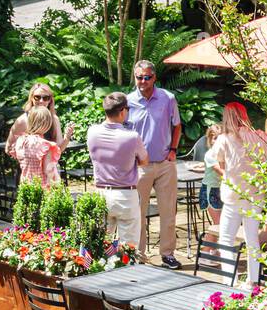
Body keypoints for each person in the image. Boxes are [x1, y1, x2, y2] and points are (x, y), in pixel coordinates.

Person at [208, 102, 267, 285]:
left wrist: (229, 173)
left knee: (226, 238)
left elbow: (214, 161)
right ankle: (253, 281)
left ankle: (230, 281)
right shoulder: (260, 136)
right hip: (256, 194)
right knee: (252, 238)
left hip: (233, 194)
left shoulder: (224, 139)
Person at [125, 60, 182, 268]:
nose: (142, 81)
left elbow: (177, 125)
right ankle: (138, 256)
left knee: (168, 211)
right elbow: (121, 133)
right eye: (139, 77)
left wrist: (174, 150)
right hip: (139, 166)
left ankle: (167, 254)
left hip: (165, 164)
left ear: (154, 77)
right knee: (137, 212)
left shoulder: (168, 98)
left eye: (147, 77)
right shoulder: (128, 101)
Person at [87, 92, 148, 246]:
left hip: (101, 193)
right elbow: (144, 160)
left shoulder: (92, 132)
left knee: (100, 245)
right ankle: (125, 270)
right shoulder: (132, 137)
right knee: (128, 247)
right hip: (125, 194)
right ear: (122, 111)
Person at [7, 83, 73, 150]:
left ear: (50, 100)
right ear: (31, 98)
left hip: (50, 160)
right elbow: (8, 148)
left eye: (45, 98)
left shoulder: (54, 119)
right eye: (37, 97)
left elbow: (58, 150)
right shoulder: (23, 120)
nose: (41, 101)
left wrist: (66, 138)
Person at [12, 106, 61, 187]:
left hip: (26, 186)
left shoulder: (21, 141)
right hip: (42, 189)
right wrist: (57, 184)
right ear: (47, 123)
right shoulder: (46, 146)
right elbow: (48, 170)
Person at [190, 123, 223, 226]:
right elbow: (221, 171)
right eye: (215, 138)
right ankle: (208, 242)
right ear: (209, 140)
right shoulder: (210, 155)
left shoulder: (224, 154)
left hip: (220, 190)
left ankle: (211, 242)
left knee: (221, 225)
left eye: (221, 138)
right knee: (218, 225)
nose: (218, 141)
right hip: (210, 190)